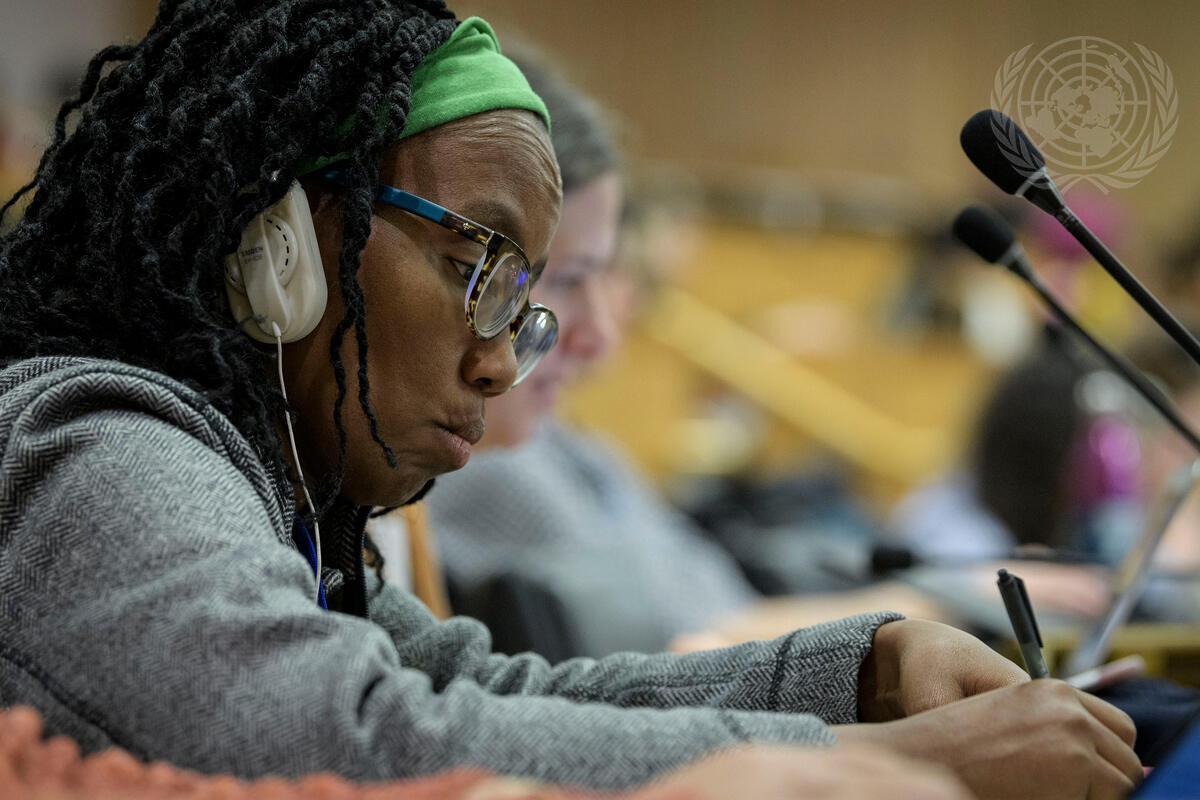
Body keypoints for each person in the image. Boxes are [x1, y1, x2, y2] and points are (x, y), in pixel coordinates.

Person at [0, 3, 1138, 798]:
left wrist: (866, 673)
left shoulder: (275, 491)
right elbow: (332, 734)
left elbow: (477, 686)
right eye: (477, 267)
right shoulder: (103, 446)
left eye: (522, 304)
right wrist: (897, 766)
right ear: (280, 240)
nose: (503, 364)